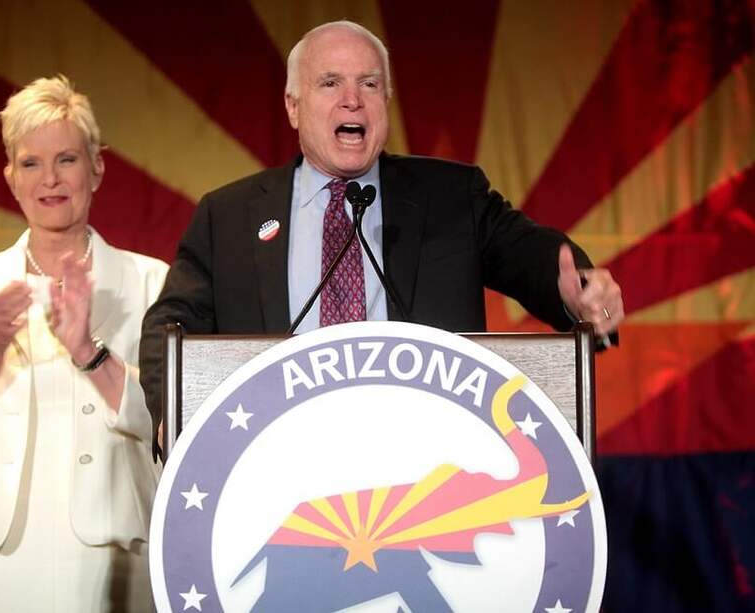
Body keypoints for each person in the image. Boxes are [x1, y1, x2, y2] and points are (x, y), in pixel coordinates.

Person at [140, 21, 623, 456]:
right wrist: (175, 414)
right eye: (330, 83)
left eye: (368, 84)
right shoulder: (228, 217)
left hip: (427, 462)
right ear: (293, 106)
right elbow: (170, 327)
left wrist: (579, 290)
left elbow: (531, 255)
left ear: (385, 101)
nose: (352, 99)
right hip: (277, 462)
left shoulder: (451, 197)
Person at [0, 76, 167, 612]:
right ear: (10, 177)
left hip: (120, 550)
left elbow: (169, 428)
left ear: (97, 167)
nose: (49, 179)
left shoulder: (151, 283)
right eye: (31, 163)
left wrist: (88, 352)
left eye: (67, 160)